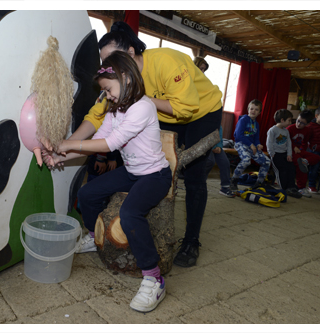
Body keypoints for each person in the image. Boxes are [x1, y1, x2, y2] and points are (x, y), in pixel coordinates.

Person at [47, 21, 223, 268]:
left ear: (130, 54)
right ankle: (127, 223)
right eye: (104, 63)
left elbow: (185, 108)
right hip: (161, 111)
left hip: (201, 111)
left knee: (193, 177)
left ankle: (191, 240)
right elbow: (97, 117)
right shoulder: (116, 86)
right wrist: (65, 147)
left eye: (111, 60)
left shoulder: (164, 63)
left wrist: (142, 99)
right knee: (141, 160)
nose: (107, 67)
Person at [52, 51, 171, 313]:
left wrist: (67, 144)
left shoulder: (143, 107)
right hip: (131, 170)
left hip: (155, 175)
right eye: (104, 91)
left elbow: (111, 143)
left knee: (130, 214)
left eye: (108, 89)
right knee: (87, 194)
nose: (107, 95)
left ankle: (154, 278)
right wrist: (58, 155)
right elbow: (98, 142)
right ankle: (96, 238)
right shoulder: (114, 110)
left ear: (126, 77)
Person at [230, 99, 270, 190]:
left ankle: (258, 183)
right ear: (248, 109)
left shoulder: (256, 124)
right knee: (246, 160)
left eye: (256, 109)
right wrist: (251, 144)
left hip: (252, 146)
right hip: (241, 143)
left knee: (267, 161)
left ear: (259, 112)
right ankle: (234, 180)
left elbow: (256, 138)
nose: (253, 111)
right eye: (251, 109)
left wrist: (258, 144)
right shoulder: (243, 120)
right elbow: (238, 135)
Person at [266, 109, 302, 198]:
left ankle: (291, 187)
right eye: (289, 120)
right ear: (282, 120)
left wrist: (289, 154)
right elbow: (269, 142)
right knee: (281, 171)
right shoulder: (272, 130)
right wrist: (272, 153)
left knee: (291, 168)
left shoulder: (286, 131)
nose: (290, 122)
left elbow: (289, 143)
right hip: (276, 154)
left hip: (285, 154)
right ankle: (284, 188)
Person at [286, 110, 320, 197]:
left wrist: (301, 150)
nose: (298, 124)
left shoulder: (307, 130)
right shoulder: (290, 128)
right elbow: (285, 142)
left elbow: (304, 143)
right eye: (298, 121)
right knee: (300, 164)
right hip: (290, 151)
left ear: (307, 124)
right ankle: (301, 188)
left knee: (317, 157)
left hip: (299, 151)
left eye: (302, 123)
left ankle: (305, 161)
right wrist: (293, 147)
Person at [205, 126, 235, 197]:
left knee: (225, 162)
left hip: (216, 146)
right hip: (205, 145)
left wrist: (219, 146)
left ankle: (225, 187)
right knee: (210, 161)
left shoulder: (218, 120)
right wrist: (210, 146)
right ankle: (198, 182)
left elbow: (220, 134)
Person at [306, 106, 320, 193]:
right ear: (316, 116)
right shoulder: (310, 126)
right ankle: (311, 185)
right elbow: (306, 140)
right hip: (314, 151)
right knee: (315, 167)